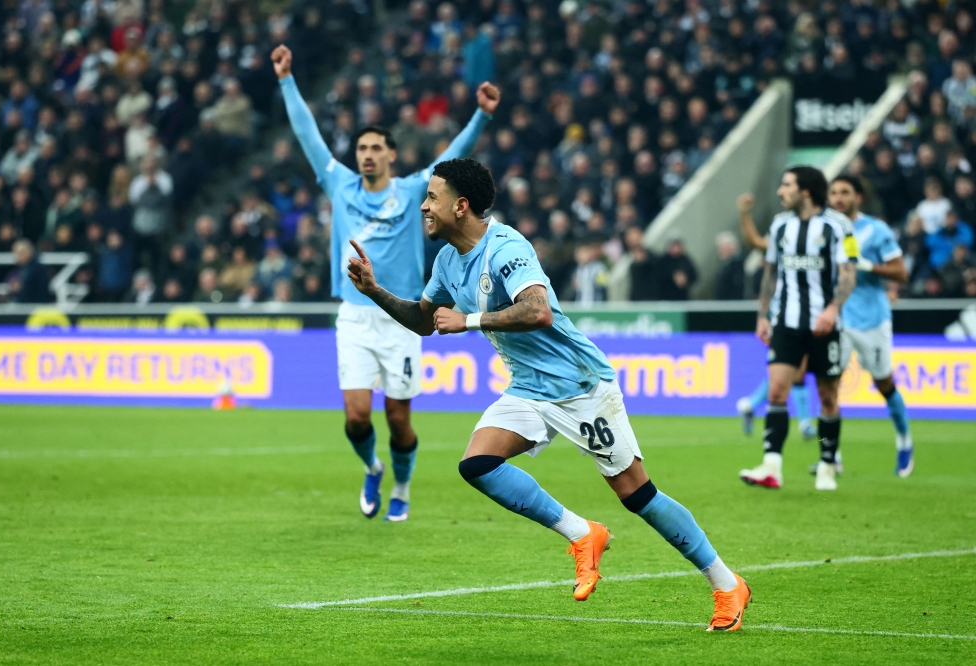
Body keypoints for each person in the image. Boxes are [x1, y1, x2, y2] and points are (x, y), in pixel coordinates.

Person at [347, 157, 751, 631]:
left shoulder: (506, 246)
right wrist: (374, 290)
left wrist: (470, 320)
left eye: (432, 198)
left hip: (579, 385)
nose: (424, 207)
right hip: (529, 388)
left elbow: (537, 311)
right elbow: (423, 320)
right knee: (478, 464)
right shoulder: (447, 261)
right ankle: (583, 533)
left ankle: (726, 584)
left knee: (636, 493)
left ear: (460, 206)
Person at [272, 44, 500, 522]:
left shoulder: (414, 189)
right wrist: (287, 79)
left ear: (391, 155)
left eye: (377, 147)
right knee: (356, 417)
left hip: (401, 316)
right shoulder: (339, 184)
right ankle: (372, 467)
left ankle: (402, 484)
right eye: (362, 149)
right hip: (354, 316)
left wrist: (480, 116)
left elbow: (454, 157)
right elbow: (307, 134)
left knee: (399, 418)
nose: (368, 155)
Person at [740, 167, 857, 491]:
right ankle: (771, 466)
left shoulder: (838, 226)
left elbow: (848, 273)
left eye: (787, 185)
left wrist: (833, 309)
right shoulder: (780, 225)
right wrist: (763, 315)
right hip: (786, 322)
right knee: (777, 391)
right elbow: (771, 272)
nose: (780, 191)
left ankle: (827, 465)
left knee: (827, 397)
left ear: (805, 191)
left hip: (824, 325)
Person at [829, 176, 914, 476]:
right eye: (834, 192)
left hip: (871, 320)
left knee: (884, 383)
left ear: (858, 197)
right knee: (830, 387)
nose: (838, 197)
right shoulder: (824, 230)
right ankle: (831, 456)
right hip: (836, 318)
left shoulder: (876, 230)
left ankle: (904, 440)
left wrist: (868, 266)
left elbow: (901, 272)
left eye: (845, 192)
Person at [734, 192, 817, 441]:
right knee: (795, 366)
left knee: (789, 368)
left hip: (806, 311)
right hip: (784, 313)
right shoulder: (783, 238)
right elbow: (755, 242)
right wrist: (744, 213)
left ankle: (751, 404)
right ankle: (804, 423)